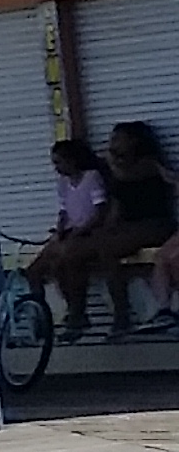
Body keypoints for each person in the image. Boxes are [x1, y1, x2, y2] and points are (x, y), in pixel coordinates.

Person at [34, 121, 177, 337]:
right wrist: (105, 227)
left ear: (135, 141)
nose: (112, 143)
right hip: (127, 225)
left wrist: (107, 162)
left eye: (118, 139)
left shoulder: (148, 164)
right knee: (73, 254)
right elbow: (117, 204)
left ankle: (122, 315)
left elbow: (126, 175)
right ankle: (77, 314)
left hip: (154, 224)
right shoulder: (111, 169)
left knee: (107, 250)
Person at [33, 140, 107, 331]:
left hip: (87, 233)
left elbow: (99, 211)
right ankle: (41, 316)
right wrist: (59, 230)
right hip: (69, 232)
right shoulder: (63, 183)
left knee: (64, 263)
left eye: (59, 162)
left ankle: (77, 312)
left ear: (73, 160)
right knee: (34, 270)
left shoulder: (92, 178)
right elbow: (64, 211)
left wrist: (80, 230)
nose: (57, 168)